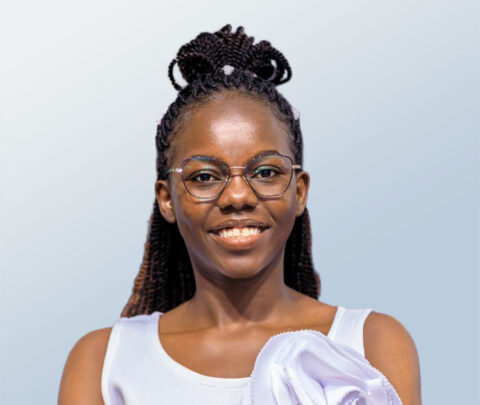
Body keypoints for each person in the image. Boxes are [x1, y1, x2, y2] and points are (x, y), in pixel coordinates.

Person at [58, 24, 422, 405]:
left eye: (265, 172)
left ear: (299, 191)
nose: (237, 196)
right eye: (204, 176)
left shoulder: (371, 344)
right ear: (167, 199)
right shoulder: (103, 363)